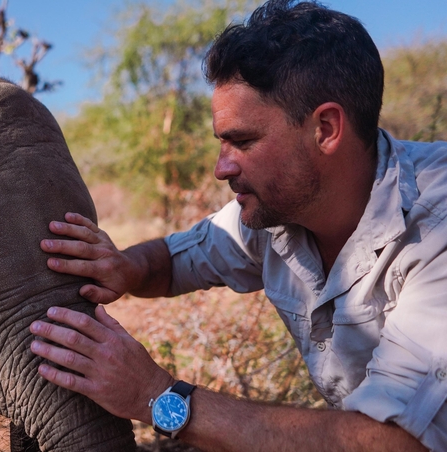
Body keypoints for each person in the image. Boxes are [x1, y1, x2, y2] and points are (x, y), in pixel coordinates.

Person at [28, 0, 447, 450]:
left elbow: (398, 443)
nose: (221, 169)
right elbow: (174, 260)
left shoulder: (434, 225)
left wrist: (155, 396)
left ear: (325, 128)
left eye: (242, 141)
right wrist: (125, 268)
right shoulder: (275, 212)